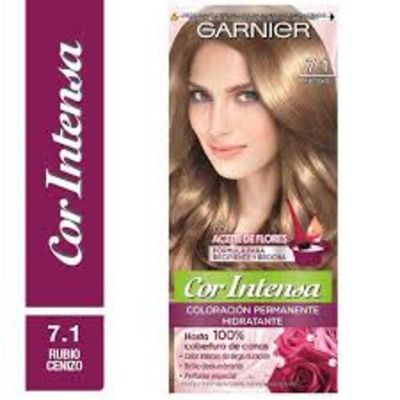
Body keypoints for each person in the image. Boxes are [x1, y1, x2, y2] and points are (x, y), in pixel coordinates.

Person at [170, 6, 337, 270]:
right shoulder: (173, 216)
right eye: (200, 96)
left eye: (247, 96)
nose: (216, 127)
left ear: (295, 100)